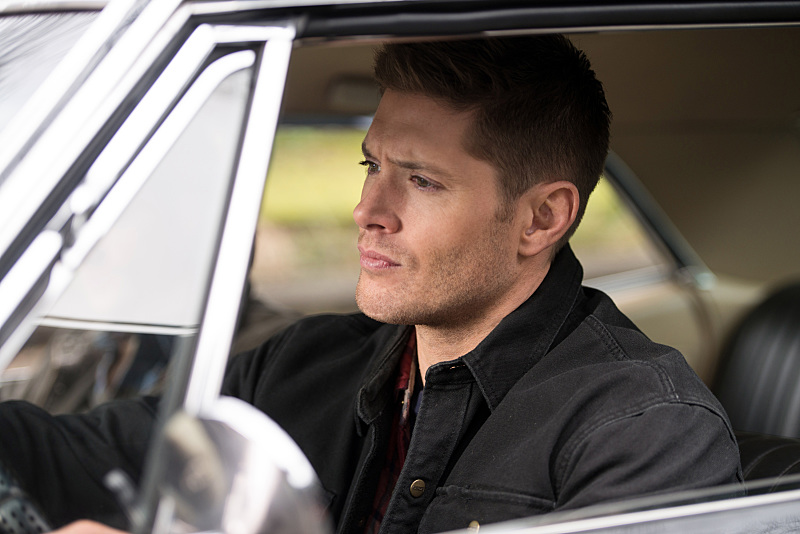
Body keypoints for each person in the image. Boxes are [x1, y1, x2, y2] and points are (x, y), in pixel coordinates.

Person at [0, 35, 741, 534]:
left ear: (541, 218)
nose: (367, 211)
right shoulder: (298, 365)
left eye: (421, 180)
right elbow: (70, 457)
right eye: (371, 166)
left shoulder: (647, 429)